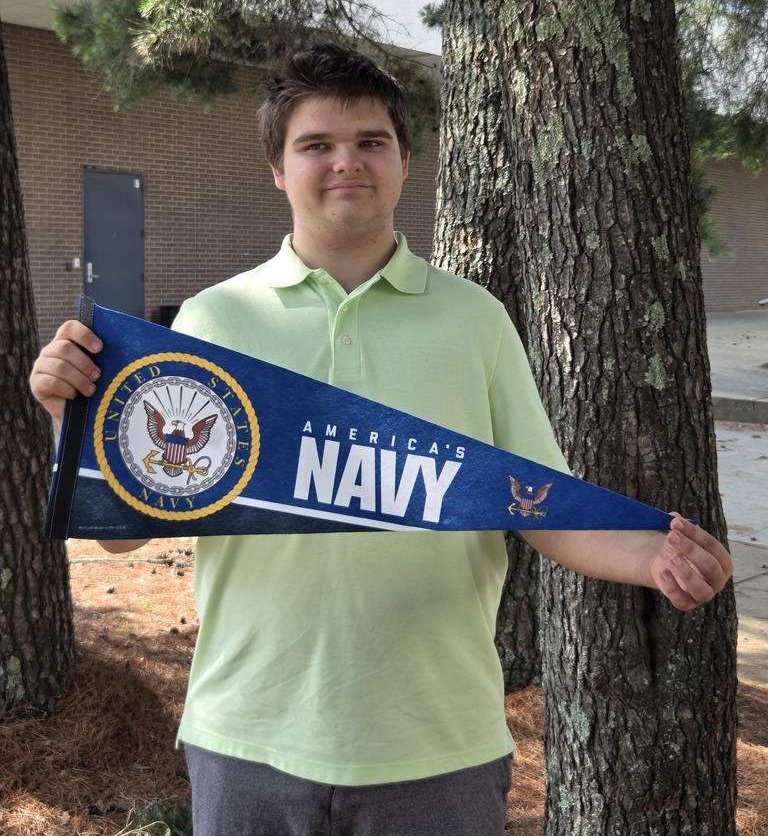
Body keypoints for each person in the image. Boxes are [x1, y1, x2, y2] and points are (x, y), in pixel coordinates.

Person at [30, 44, 733, 836]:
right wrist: (75, 420)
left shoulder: (475, 320)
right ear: (277, 168)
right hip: (248, 738)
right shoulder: (211, 322)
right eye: (316, 145)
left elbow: (537, 500)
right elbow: (131, 530)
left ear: (403, 161)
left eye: (370, 142)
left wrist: (653, 553)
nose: (345, 163)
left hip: (437, 744)